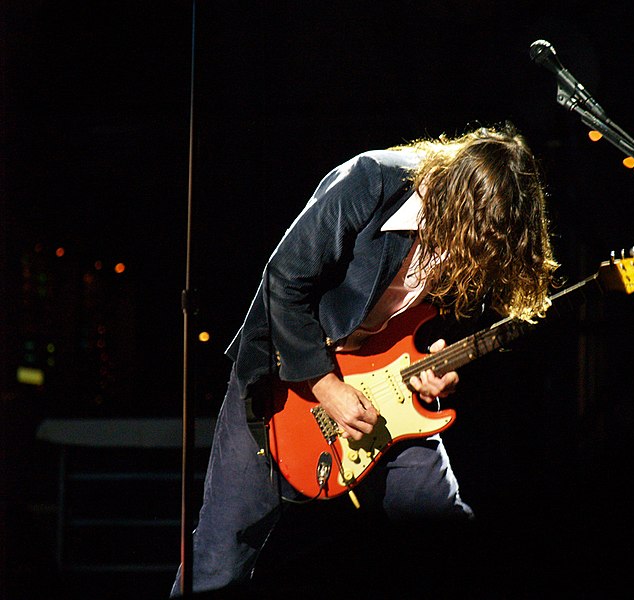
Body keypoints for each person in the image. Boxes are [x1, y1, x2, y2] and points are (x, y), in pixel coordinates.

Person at [170, 122, 558, 597]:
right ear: (456, 200)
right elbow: (281, 285)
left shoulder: (475, 234)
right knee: (220, 559)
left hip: (384, 387)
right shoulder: (369, 180)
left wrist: (437, 361)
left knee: (446, 527)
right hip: (284, 378)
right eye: (470, 238)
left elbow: (433, 319)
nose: (470, 256)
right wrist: (326, 386)